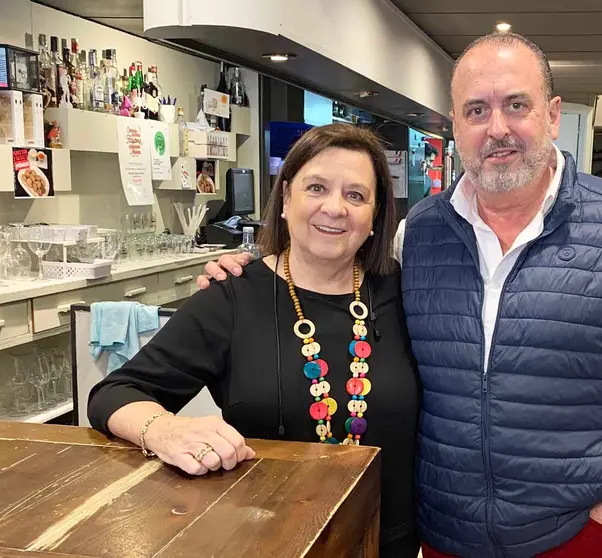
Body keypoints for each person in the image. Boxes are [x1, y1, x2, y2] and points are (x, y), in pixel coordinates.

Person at [202, 32, 602, 558]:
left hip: (575, 531)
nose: (497, 128)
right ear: (455, 127)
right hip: (446, 533)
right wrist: (255, 273)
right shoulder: (417, 233)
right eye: (476, 110)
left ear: (553, 115)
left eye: (516, 105)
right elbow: (332, 285)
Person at [87, 124, 421, 557]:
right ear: (285, 200)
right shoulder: (233, 295)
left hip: (384, 541)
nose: (334, 208)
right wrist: (165, 429)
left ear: (375, 217)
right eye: (316, 187)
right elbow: (113, 392)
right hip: (268, 540)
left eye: (356, 195)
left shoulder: (406, 291)